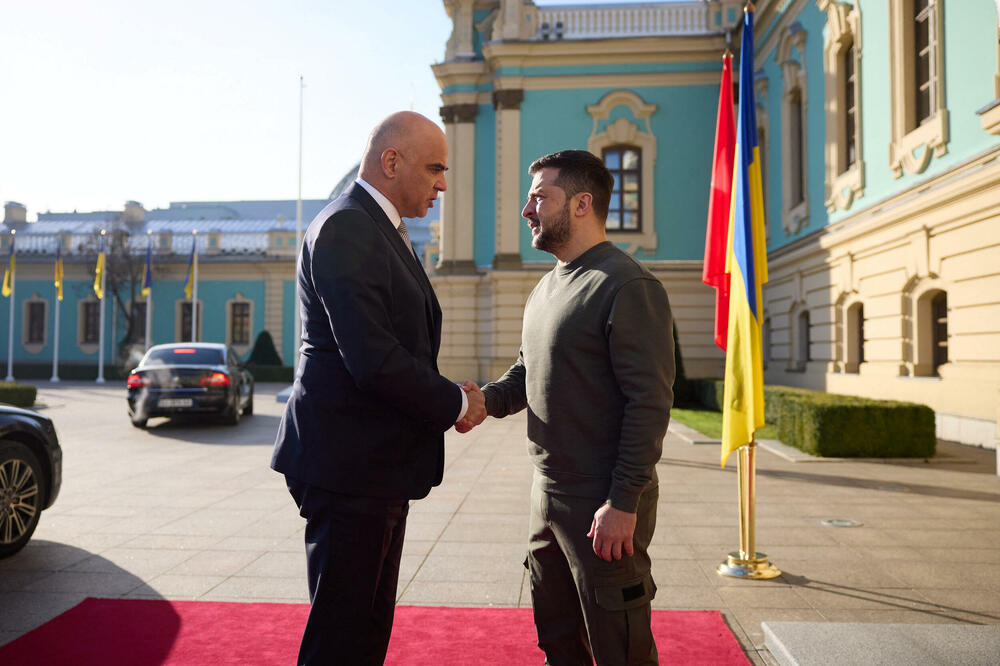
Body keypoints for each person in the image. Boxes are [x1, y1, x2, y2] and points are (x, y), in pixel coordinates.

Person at [271, 110, 486, 665]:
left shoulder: (381, 227)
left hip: (372, 467)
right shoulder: (347, 226)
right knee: (341, 637)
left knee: (365, 631)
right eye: (435, 168)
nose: (443, 183)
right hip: (348, 470)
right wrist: (457, 401)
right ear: (391, 161)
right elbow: (374, 359)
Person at [458, 150, 675, 665]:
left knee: (620, 645)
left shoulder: (627, 285)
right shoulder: (547, 287)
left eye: (539, 197)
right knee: (557, 637)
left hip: (603, 501)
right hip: (547, 495)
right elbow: (526, 374)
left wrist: (623, 502)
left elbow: (649, 403)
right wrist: (484, 401)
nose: (527, 210)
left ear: (582, 203)